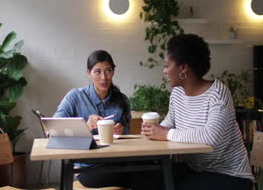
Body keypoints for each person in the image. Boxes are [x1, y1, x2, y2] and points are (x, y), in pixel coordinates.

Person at [141, 34, 254, 190]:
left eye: (167, 65)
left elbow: (210, 137)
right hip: (196, 170)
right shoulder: (177, 93)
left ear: (183, 68)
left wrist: (166, 134)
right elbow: (168, 124)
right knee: (146, 181)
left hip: (230, 175)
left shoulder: (217, 93)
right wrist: (152, 130)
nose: (165, 71)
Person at [53, 50, 131, 188]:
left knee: (151, 169)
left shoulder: (122, 100)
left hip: (117, 162)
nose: (103, 77)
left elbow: (127, 135)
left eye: (108, 70)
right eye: (97, 72)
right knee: (143, 176)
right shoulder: (75, 97)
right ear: (88, 73)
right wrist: (86, 127)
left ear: (113, 71)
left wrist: (121, 132)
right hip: (87, 167)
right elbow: (54, 129)